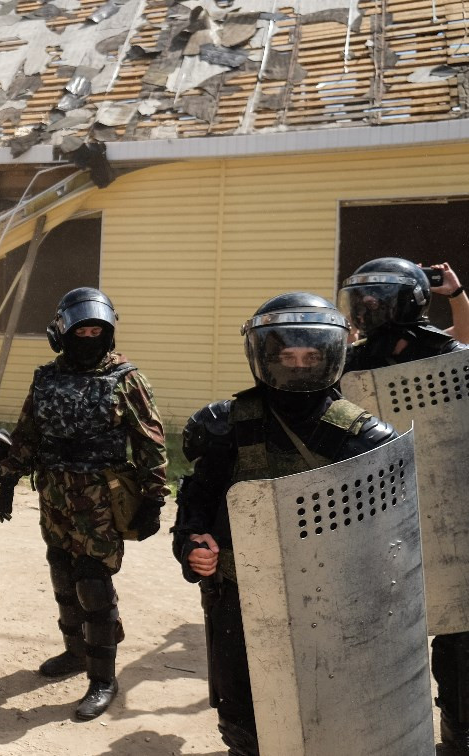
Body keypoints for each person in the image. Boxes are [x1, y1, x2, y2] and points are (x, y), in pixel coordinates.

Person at [173, 292, 396, 755]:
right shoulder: (227, 425)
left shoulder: (363, 437)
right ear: (265, 356)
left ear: (331, 356)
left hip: (330, 605)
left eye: (311, 356)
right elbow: (196, 504)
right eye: (286, 356)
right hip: (238, 599)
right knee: (243, 714)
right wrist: (193, 546)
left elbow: (389, 538)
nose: (298, 366)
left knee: (326, 711)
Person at [0, 287, 168, 721]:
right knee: (62, 573)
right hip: (55, 493)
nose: (89, 336)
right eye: (81, 329)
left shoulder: (125, 378)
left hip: (100, 497)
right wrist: (9, 477)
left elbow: (150, 442)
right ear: (63, 333)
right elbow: (29, 431)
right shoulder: (47, 377)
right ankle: (75, 652)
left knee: (93, 582)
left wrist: (152, 498)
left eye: (97, 330)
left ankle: (102, 678)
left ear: (107, 333)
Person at [338, 258, 469, 751]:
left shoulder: (446, 354)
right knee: (380, 634)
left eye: (379, 297)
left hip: (447, 512)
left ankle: (460, 734)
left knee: (459, 636)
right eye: (362, 297)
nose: (368, 305)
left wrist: (456, 295)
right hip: (373, 515)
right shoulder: (346, 362)